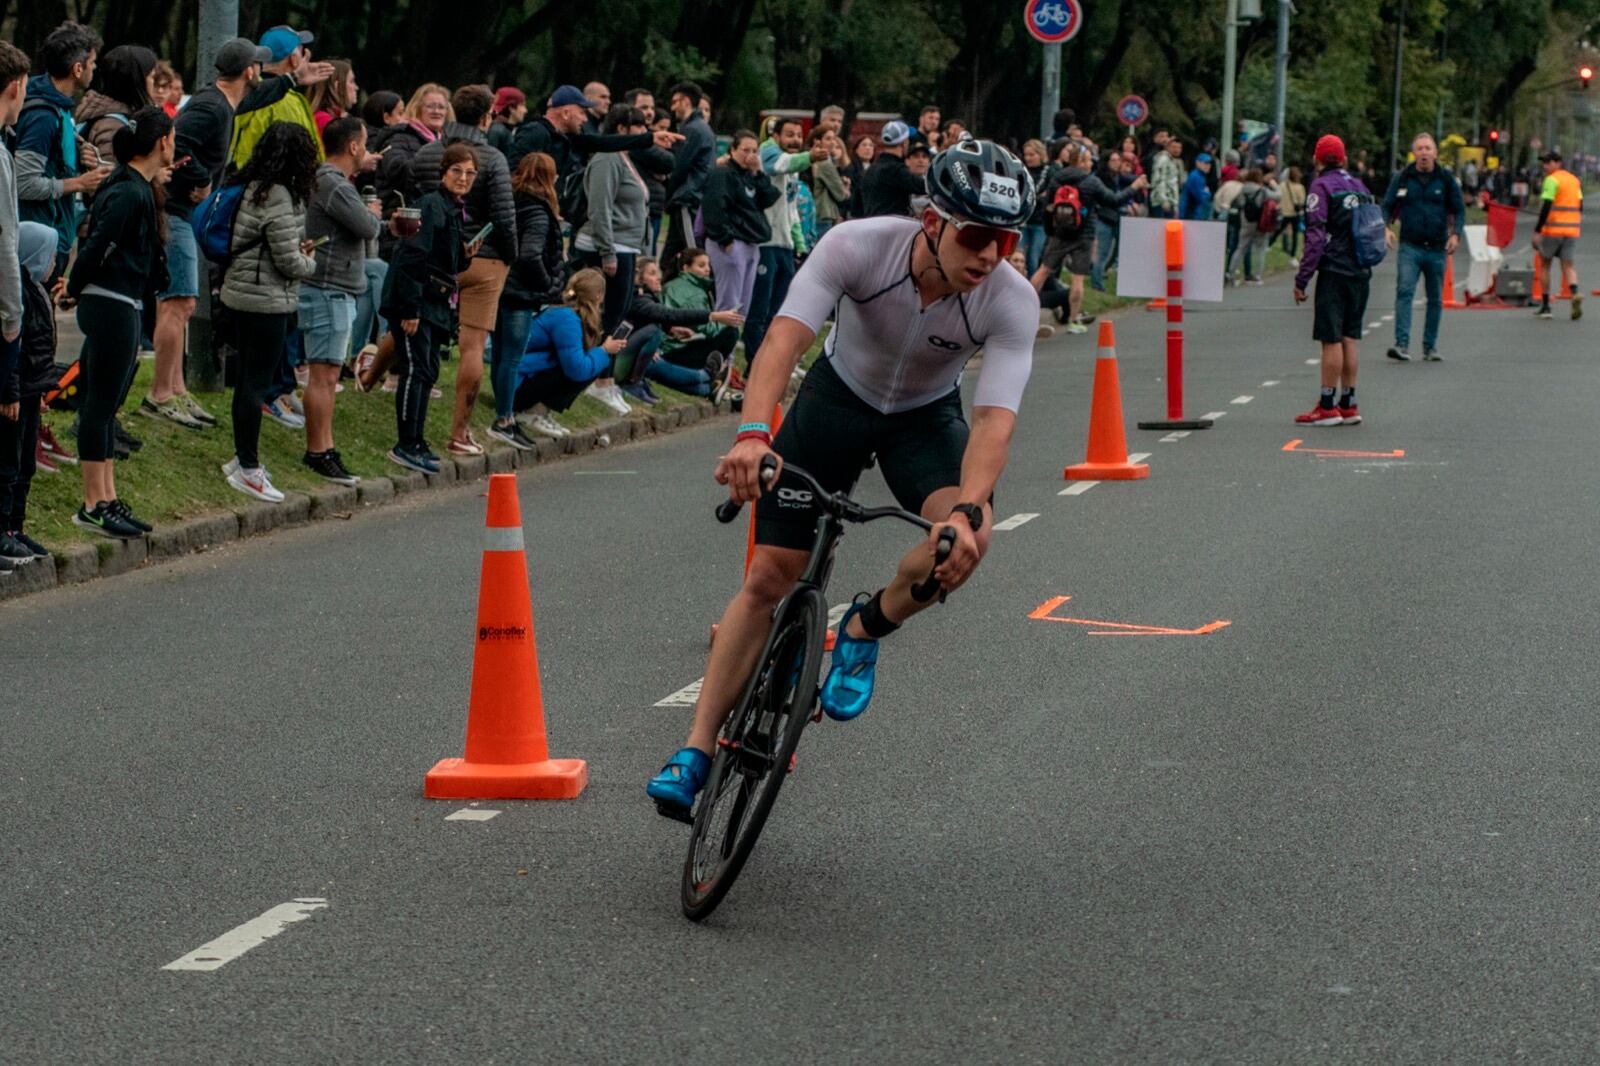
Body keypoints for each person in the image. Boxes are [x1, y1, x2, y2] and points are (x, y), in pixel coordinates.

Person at [645, 138, 1042, 816]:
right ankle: (696, 750)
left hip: (922, 419)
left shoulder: (1009, 299)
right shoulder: (857, 245)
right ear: (933, 222)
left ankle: (863, 629)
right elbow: (783, 339)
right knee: (770, 576)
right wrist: (751, 435)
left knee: (970, 542)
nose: (989, 256)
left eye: (1004, 242)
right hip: (836, 400)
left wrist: (967, 509)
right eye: (976, 236)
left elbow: (994, 421)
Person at [152, 38, 277, 434]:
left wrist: (294, 79)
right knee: (179, 302)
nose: (261, 71)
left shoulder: (225, 102)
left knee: (182, 304)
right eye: (259, 65)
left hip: (183, 213)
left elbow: (260, 98)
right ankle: (160, 394)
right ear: (248, 71)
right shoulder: (210, 106)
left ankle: (177, 387)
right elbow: (178, 141)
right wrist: (200, 179)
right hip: (175, 213)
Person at [65, 105, 172, 539]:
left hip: (121, 301)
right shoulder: (128, 192)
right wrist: (74, 287)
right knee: (99, 405)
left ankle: (106, 498)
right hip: (110, 302)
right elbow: (97, 243)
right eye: (173, 136)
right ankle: (92, 505)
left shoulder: (140, 188)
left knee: (107, 405)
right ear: (162, 142)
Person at [411, 84, 518, 455]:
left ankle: (373, 371)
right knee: (473, 346)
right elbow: (505, 216)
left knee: (412, 319)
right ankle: (459, 432)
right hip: (484, 255)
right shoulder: (493, 157)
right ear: (488, 114)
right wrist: (509, 254)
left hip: (434, 253)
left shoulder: (427, 153)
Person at [219, 121, 321, 503]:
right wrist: (308, 260)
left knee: (246, 380)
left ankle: (242, 459)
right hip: (265, 301)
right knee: (255, 386)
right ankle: (248, 467)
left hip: (241, 294)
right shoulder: (279, 194)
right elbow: (288, 261)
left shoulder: (254, 186)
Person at [380, 142, 474, 473]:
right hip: (415, 302)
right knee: (415, 370)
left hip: (435, 303)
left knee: (428, 371)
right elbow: (411, 257)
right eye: (457, 171)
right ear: (443, 173)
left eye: (469, 173)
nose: (463, 178)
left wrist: (464, 254)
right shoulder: (431, 205)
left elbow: (443, 257)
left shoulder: (455, 209)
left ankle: (417, 442)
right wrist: (410, 309)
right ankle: (405, 444)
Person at [299, 116, 383, 485]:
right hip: (328, 287)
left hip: (335, 287)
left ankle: (327, 445)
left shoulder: (331, 182)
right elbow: (367, 228)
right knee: (324, 375)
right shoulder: (335, 185)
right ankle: (318, 450)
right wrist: (374, 215)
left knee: (330, 372)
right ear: (352, 146)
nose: (365, 150)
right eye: (363, 143)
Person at [571, 103, 651, 415]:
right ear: (621, 129)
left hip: (627, 246)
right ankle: (599, 378)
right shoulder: (606, 158)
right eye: (639, 127)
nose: (644, 133)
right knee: (605, 316)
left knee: (618, 316)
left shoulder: (625, 158)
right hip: (607, 246)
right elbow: (600, 206)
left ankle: (606, 377)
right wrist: (607, 251)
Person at [1292, 134, 1372, 427]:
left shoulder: (1321, 187)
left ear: (1316, 160)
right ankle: (1348, 404)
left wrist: (1303, 278)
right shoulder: (1360, 186)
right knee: (1351, 336)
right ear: (1345, 159)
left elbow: (1315, 236)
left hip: (1335, 271)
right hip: (1361, 271)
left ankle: (1327, 406)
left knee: (1331, 338)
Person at [488, 151, 565, 450]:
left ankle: (502, 410)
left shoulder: (511, 202)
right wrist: (546, 283)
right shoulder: (537, 211)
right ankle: (505, 418)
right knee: (512, 357)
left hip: (500, 286)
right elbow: (531, 253)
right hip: (520, 294)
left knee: (498, 353)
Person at [17, 21, 107, 278]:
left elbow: (49, 163)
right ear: (77, 69)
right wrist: (79, 183)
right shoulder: (43, 116)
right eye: (92, 62)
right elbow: (24, 183)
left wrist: (77, 160)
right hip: (40, 241)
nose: (95, 67)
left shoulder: (60, 107)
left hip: (52, 235)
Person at [745, 117, 829, 365]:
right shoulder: (769, 151)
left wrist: (799, 243)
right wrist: (809, 157)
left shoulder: (791, 165)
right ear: (776, 136)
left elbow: (792, 209)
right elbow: (779, 165)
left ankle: (773, 362)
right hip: (765, 242)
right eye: (789, 135)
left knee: (779, 311)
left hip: (784, 245)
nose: (795, 140)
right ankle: (754, 362)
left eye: (798, 135)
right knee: (760, 309)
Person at [0, 222, 57, 565]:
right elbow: (16, 350)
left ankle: (15, 526)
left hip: (31, 391)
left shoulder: (36, 291)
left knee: (24, 465)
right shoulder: (16, 293)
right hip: (15, 395)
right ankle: (4, 529)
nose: (53, 264)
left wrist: (41, 390)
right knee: (8, 462)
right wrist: (13, 391)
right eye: (49, 256)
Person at [1383, 132, 1463, 361]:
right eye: (1420, 148)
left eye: (1428, 148)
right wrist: (1385, 228)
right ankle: (1402, 344)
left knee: (1435, 298)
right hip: (1410, 246)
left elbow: (1458, 210)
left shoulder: (1446, 179)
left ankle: (1430, 347)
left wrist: (1455, 234)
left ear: (1435, 152)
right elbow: (1387, 206)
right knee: (1405, 291)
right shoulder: (1403, 177)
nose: (1424, 152)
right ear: (1414, 153)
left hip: (1437, 248)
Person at [616, 256, 742, 402]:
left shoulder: (646, 297)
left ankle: (710, 388)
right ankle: (708, 375)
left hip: (645, 355)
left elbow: (655, 318)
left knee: (701, 388)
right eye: (652, 274)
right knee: (654, 338)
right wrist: (713, 316)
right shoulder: (638, 299)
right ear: (639, 278)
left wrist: (670, 329)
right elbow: (668, 314)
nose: (658, 278)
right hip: (630, 358)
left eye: (657, 273)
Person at [511, 268, 625, 427]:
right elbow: (576, 369)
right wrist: (604, 351)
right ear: (599, 295)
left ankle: (541, 412)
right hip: (514, 388)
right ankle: (533, 412)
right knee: (587, 363)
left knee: (590, 360)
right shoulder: (566, 318)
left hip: (520, 379)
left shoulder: (567, 312)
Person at [701, 129, 778, 344]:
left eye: (754, 151)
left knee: (742, 304)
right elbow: (714, 207)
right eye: (745, 150)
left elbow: (769, 197)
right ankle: (718, 356)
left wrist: (759, 172)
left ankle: (729, 357)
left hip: (752, 243)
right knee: (728, 305)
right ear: (733, 150)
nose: (750, 155)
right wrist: (725, 239)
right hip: (731, 243)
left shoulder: (750, 176)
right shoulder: (723, 174)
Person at [229, 25, 330, 169]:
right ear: (294, 60)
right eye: (302, 52)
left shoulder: (245, 93)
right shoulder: (287, 102)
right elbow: (303, 156)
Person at [661, 81, 714, 277]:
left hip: (688, 198)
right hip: (689, 197)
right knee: (670, 254)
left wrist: (668, 193)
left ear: (685, 101)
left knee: (694, 254)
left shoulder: (692, 130)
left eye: (675, 102)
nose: (673, 107)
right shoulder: (701, 128)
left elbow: (678, 166)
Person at [1531, 149, 1582, 322]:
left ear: (1557, 163)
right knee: (1568, 266)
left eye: (1548, 162)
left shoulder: (1551, 180)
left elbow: (1547, 206)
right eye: (1544, 162)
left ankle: (1545, 306)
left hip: (1553, 230)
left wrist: (1538, 230)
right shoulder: (1574, 180)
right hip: (1572, 230)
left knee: (1545, 265)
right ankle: (1575, 293)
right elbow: (1579, 205)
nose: (1545, 166)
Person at [858, 120, 923, 218]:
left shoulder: (870, 169)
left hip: (870, 226)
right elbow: (924, 187)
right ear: (904, 143)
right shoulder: (896, 170)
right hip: (893, 228)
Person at [1227, 168, 1279, 285]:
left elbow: (1240, 203)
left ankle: (1230, 273)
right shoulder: (1263, 190)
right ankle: (1258, 276)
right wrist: (1275, 186)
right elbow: (1277, 196)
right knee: (1260, 249)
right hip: (1260, 222)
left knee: (1240, 248)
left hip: (1246, 221)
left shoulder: (1243, 189)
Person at [807, 127, 850, 241]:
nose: (832, 142)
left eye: (834, 138)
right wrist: (845, 188)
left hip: (813, 213)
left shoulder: (811, 159)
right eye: (828, 139)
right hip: (824, 214)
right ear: (817, 141)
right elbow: (840, 194)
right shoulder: (824, 162)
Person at [1019, 139, 1051, 275]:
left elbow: (1047, 195)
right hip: (1023, 220)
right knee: (1018, 255)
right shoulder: (1021, 171)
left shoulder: (1048, 171)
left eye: (1032, 155)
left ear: (1040, 154)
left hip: (1039, 221)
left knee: (1033, 258)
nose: (1028, 158)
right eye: (1026, 155)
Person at [305, 58, 357, 134]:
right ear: (337, 86)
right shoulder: (324, 121)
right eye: (351, 81)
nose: (356, 87)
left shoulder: (326, 118)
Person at [1275, 165, 1306, 261]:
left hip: (1284, 212)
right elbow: (1302, 201)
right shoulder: (1299, 187)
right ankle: (1293, 255)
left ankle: (1268, 245)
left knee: (1278, 230)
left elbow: (1277, 197)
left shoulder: (1282, 185)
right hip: (1294, 213)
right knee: (1295, 236)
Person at [1149, 135, 1183, 218]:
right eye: (1174, 147)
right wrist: (1163, 200)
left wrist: (1175, 205)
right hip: (1162, 203)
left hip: (1170, 201)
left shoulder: (1173, 161)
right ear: (1168, 147)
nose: (1177, 150)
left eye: (1179, 148)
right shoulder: (1163, 159)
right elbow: (1159, 180)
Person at [844, 134, 875, 218]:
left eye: (871, 145)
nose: (868, 148)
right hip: (856, 213)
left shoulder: (876, 169)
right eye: (864, 145)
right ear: (856, 149)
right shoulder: (850, 169)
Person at [487, 86, 525, 154]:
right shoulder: (497, 131)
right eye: (522, 105)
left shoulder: (501, 129)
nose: (525, 110)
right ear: (511, 107)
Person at [1180, 152, 1213, 220]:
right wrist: (1207, 193)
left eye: (1209, 163)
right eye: (1205, 163)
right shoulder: (1196, 176)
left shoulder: (1200, 176)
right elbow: (1201, 197)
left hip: (1194, 214)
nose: (1208, 165)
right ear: (1197, 163)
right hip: (1191, 215)